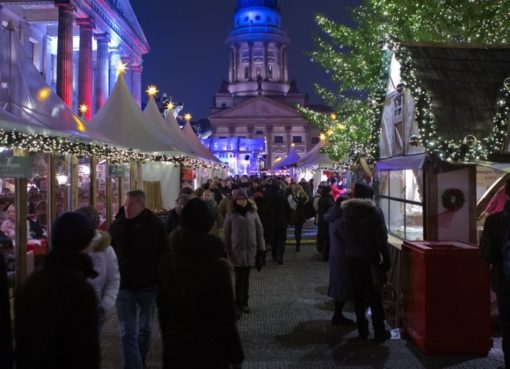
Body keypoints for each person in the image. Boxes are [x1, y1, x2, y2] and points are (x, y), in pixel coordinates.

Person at [158, 198, 244, 369]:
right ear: (209, 225)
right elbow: (226, 316)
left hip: (177, 346)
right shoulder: (217, 265)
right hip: (211, 348)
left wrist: (168, 342)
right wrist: (236, 356)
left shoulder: (168, 261)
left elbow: (162, 307)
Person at [14, 212, 99, 369]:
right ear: (83, 241)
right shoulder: (80, 289)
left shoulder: (32, 282)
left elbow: (22, 341)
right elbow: (85, 351)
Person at [109, 190, 168, 369]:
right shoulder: (116, 226)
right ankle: (134, 365)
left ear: (142, 206)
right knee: (127, 330)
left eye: (131, 204)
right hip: (124, 285)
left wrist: (161, 279)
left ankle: (139, 359)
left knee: (146, 328)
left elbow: (164, 253)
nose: (127, 208)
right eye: (126, 204)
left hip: (148, 286)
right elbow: (110, 254)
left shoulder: (155, 225)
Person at [338, 182, 391, 342]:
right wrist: (386, 259)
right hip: (370, 259)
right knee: (374, 295)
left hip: (352, 258)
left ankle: (362, 329)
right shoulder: (374, 212)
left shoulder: (346, 211)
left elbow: (342, 235)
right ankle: (379, 330)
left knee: (358, 294)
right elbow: (382, 238)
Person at [480, 178, 510, 368]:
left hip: (506, 284)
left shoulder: (495, 221)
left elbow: (486, 255)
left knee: (509, 327)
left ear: (506, 191)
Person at [76, 206, 120, 328]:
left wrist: (104, 306)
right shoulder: (69, 249)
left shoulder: (105, 249)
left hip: (95, 310)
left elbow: (113, 279)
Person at [224, 188, 266, 318]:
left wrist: (262, 249)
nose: (240, 201)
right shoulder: (231, 213)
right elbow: (227, 233)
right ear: (235, 200)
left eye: (243, 199)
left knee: (246, 277)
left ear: (247, 199)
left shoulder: (253, 212)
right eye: (238, 199)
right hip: (236, 249)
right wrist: (227, 250)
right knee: (238, 278)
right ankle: (238, 303)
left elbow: (259, 231)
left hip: (250, 249)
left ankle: (245, 302)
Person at [324, 196, 355, 326]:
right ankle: (338, 315)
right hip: (343, 256)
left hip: (336, 254)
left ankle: (338, 315)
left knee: (339, 284)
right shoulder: (341, 221)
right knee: (342, 285)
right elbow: (349, 238)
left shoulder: (333, 217)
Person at [265, 180, 288, 264]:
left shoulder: (269, 198)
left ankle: (274, 255)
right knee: (282, 240)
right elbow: (287, 209)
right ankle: (280, 256)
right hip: (282, 222)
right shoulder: (283, 197)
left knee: (274, 239)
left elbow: (267, 210)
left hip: (272, 222)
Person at [287, 183, 309, 252]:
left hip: (294, 215)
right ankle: (298, 245)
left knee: (297, 231)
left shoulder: (290, 196)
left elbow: (290, 206)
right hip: (301, 215)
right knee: (299, 230)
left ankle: (297, 244)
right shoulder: (304, 196)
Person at [317, 185, 335, 261]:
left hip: (322, 221)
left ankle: (323, 253)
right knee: (327, 239)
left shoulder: (321, 198)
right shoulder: (328, 199)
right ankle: (326, 256)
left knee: (323, 238)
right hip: (327, 222)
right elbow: (332, 210)